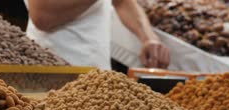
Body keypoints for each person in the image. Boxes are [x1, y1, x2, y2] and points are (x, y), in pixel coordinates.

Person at [24, 0, 170, 70]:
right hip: (53, 70)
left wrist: (148, 37)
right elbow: (42, 15)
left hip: (96, 71)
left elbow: (122, 2)